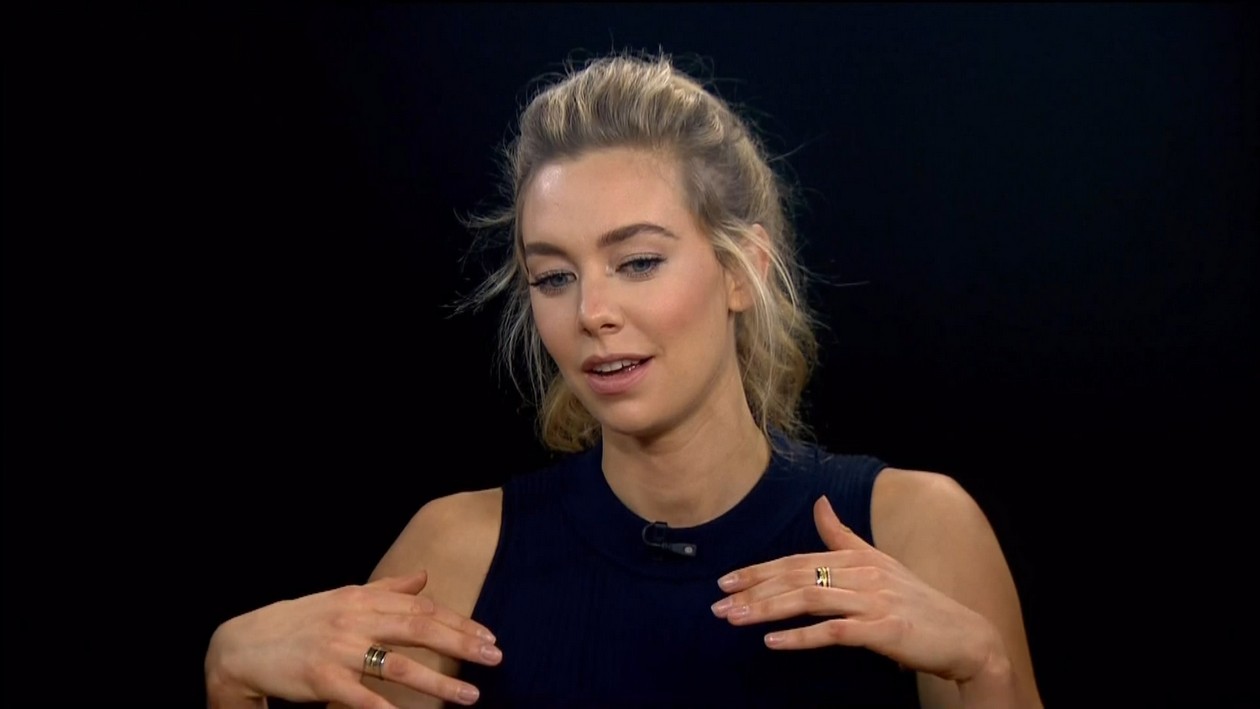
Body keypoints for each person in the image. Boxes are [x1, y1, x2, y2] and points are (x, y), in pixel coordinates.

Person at [204, 51, 1042, 708]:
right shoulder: (456, 551)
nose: (591, 311)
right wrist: (231, 681)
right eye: (554, 276)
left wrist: (989, 669)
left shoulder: (916, 529)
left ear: (743, 269)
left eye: (637, 261)